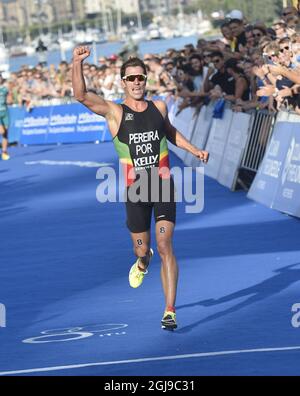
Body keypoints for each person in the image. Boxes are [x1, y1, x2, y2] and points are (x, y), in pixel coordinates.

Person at [72, 46, 209, 331]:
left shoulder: (159, 106)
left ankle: (169, 310)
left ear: (146, 80)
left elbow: (168, 132)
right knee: (143, 249)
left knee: (164, 245)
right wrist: (77, 62)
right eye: (131, 78)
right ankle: (142, 262)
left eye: (140, 78)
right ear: (123, 81)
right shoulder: (114, 112)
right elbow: (81, 96)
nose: (136, 82)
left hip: (162, 186)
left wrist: (193, 149)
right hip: (136, 192)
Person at [0, 74, 12, 161]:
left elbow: (9, 99)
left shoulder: (5, 88)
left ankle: (4, 151)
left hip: (5, 112)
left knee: (6, 133)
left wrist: (9, 100)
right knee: (2, 131)